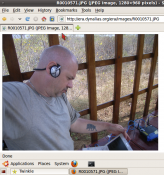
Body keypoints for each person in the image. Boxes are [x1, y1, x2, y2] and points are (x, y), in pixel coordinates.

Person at [2, 45, 130, 150]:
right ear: (52, 69)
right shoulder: (17, 97)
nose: (71, 85)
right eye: (69, 78)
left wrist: (107, 126)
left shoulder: (59, 95)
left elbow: (74, 123)